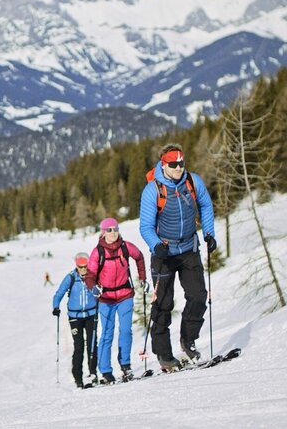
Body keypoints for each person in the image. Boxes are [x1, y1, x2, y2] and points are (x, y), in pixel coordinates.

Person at [139, 144, 216, 370]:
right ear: (164, 164)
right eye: (173, 164)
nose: (178, 168)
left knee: (198, 296)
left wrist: (209, 233)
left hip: (189, 248)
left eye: (181, 163)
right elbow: (145, 226)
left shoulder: (193, 181)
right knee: (163, 304)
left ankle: (188, 340)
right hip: (164, 252)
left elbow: (206, 205)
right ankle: (164, 355)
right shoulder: (153, 190)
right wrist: (156, 245)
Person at [83, 218, 148, 384]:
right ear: (103, 232)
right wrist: (93, 288)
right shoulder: (98, 252)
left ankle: (125, 365)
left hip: (125, 295)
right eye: (109, 230)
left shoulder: (125, 247)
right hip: (106, 299)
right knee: (107, 333)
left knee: (126, 330)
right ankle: (105, 370)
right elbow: (90, 275)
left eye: (116, 229)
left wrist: (142, 278)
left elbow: (139, 257)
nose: (113, 233)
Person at [52, 252, 99, 388]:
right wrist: (56, 307)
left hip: (91, 315)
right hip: (75, 317)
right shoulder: (71, 277)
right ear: (76, 266)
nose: (83, 269)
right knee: (79, 346)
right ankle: (78, 378)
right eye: (80, 267)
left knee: (92, 345)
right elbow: (59, 293)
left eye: (85, 266)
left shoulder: (93, 276)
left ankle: (93, 373)